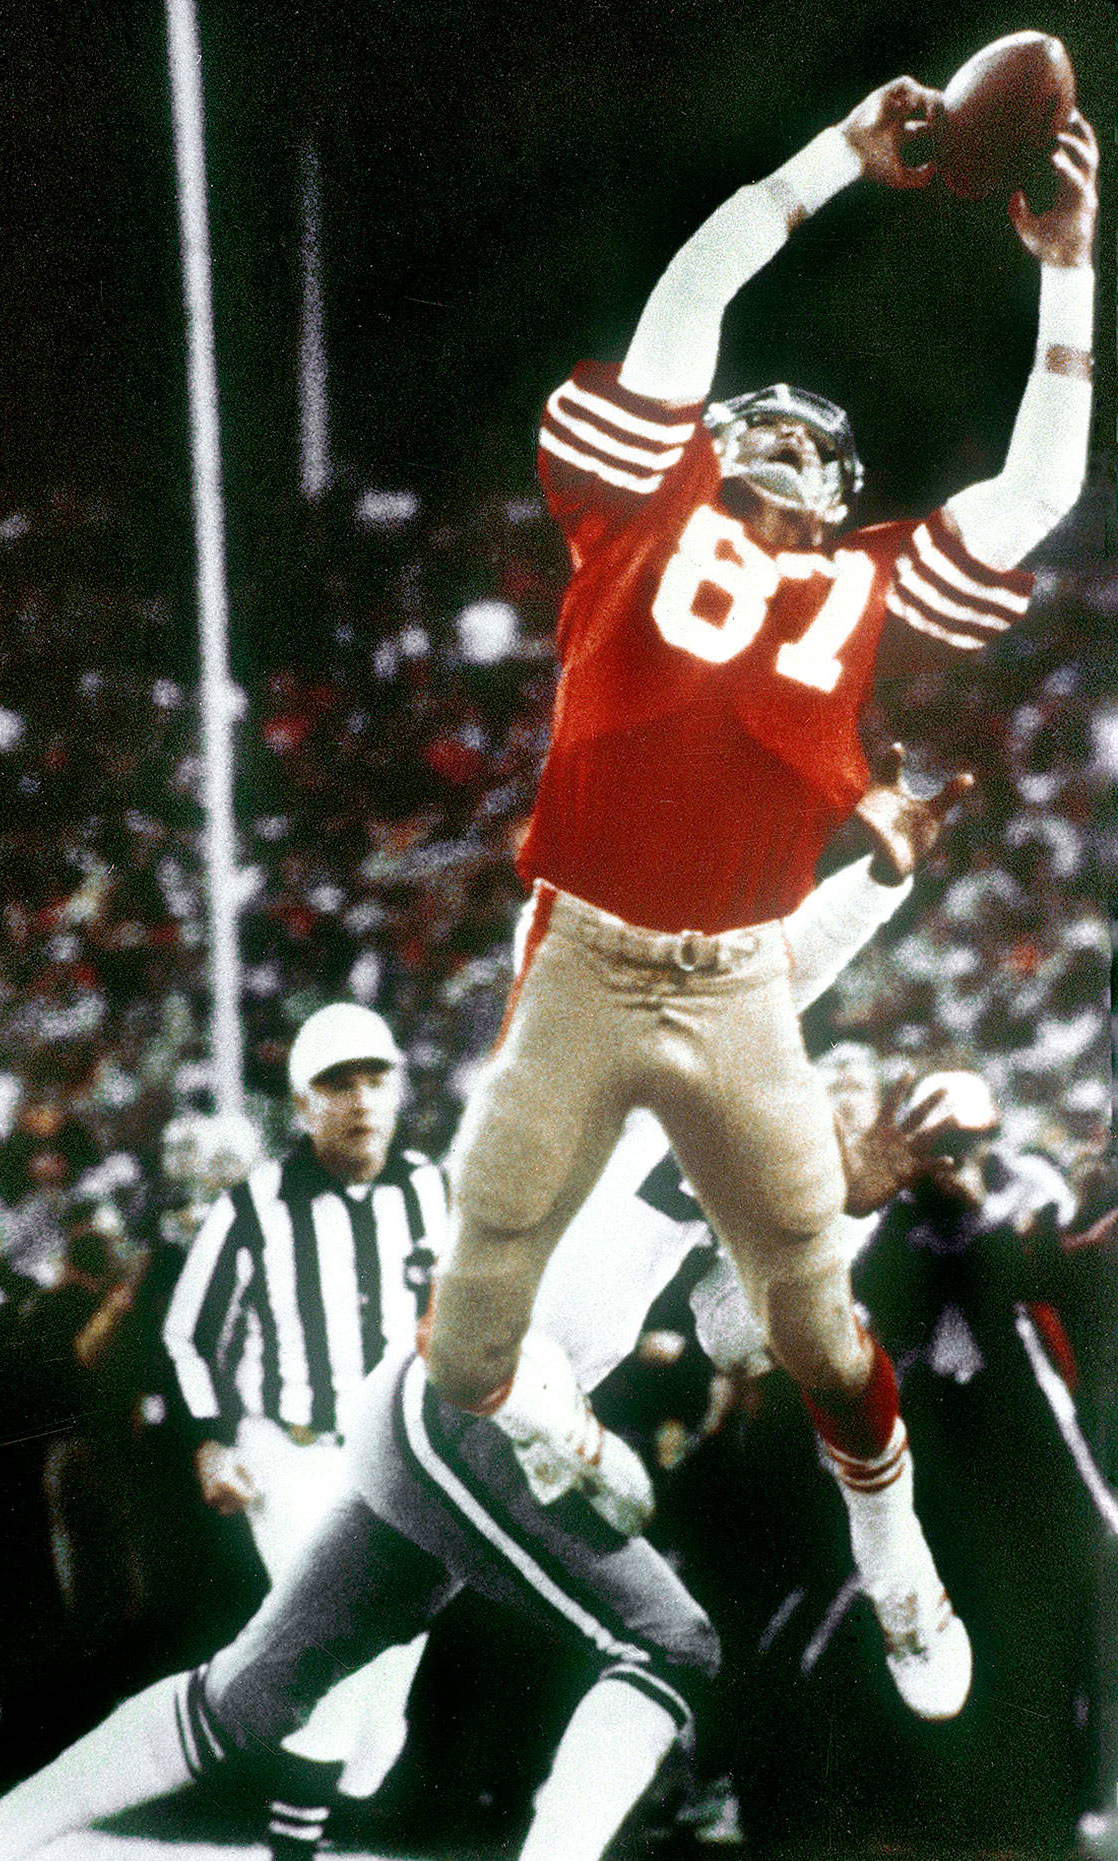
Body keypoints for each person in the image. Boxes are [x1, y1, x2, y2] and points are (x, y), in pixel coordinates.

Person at [0, 761, 963, 1861]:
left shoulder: (732, 1097)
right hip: (473, 1393)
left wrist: (835, 1214)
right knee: (670, 1645)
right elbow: (769, 971)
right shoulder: (616, 1015)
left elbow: (735, 1334)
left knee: (249, 1697)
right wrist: (874, 882)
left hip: (459, 1410)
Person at [420, 74, 1097, 1723]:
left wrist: (1001, 232)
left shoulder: (828, 574)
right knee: (474, 1320)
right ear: (718, 458)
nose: (783, 463)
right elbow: (703, 314)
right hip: (588, 948)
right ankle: (547, 1414)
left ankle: (897, 1559)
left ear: (829, 488)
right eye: (760, 442)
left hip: (722, 976)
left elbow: (1017, 497)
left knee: (808, 1308)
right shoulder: (660, 514)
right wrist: (1035, 253)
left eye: (809, 454)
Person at [161, 1003, 448, 1861]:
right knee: (341, 1637)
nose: (360, 1101)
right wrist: (212, 1441)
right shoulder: (252, 1207)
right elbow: (188, 1333)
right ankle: (292, 1856)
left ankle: (323, 1797)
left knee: (379, 1715)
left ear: (399, 1090)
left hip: (405, 1463)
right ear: (302, 1105)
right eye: (337, 1085)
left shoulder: (438, 1190)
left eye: (374, 1081)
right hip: (293, 1454)